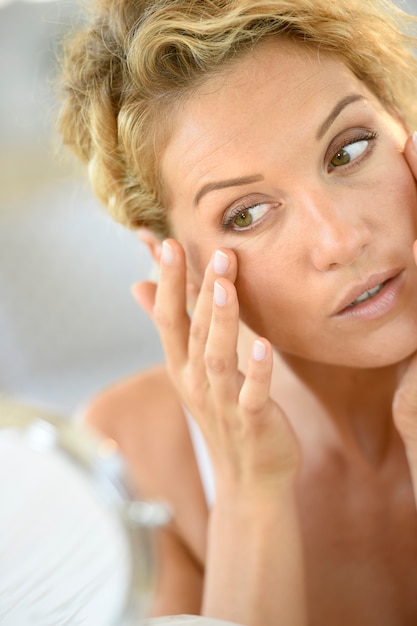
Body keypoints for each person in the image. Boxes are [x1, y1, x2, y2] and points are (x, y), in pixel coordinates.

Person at [57, 1, 417, 624]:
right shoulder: (135, 464)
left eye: (350, 150)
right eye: (246, 214)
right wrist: (250, 492)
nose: (340, 241)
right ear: (178, 264)